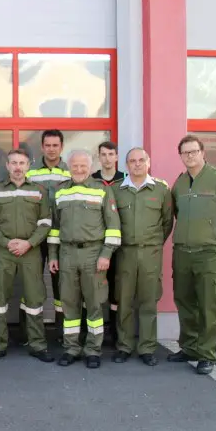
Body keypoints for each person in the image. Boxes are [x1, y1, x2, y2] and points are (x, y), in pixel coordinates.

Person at [168, 135, 216, 374]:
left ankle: (207, 353)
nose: (190, 156)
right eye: (185, 153)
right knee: (185, 301)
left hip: (209, 254)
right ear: (181, 156)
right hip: (182, 251)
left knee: (209, 304)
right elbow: (177, 214)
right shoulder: (180, 183)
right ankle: (190, 347)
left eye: (193, 151)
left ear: (203, 152)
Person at [48, 150, 121, 369]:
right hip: (67, 253)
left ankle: (93, 350)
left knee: (94, 305)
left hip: (93, 254)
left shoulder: (101, 190)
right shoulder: (60, 192)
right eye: (75, 166)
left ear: (90, 167)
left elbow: (114, 227)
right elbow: (54, 227)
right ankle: (71, 348)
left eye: (83, 166)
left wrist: (106, 254)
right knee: (69, 305)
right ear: (68, 167)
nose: (78, 170)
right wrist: (52, 255)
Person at [0, 149, 53, 363]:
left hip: (30, 251)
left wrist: (29, 243)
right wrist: (6, 243)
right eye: (13, 162)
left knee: (34, 299)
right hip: (3, 251)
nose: (17, 167)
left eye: (22, 163)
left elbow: (45, 222)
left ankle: (37, 344)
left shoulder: (39, 191)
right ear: (7, 165)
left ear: (28, 166)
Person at [112, 148, 173, 366]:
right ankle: (124, 346)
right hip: (125, 253)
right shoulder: (117, 190)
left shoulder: (161, 189)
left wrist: (154, 243)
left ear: (148, 162)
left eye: (141, 160)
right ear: (126, 165)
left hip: (150, 253)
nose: (137, 164)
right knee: (124, 301)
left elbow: (167, 222)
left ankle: (147, 348)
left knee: (148, 301)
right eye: (132, 161)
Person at [26, 129, 70, 330]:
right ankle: (31, 333)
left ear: (61, 147)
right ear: (42, 147)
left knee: (61, 284)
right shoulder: (31, 173)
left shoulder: (71, 172)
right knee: (32, 283)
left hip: (61, 237)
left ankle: (62, 331)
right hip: (36, 236)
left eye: (55, 145)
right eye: (48, 145)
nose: (51, 149)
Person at [91, 141, 126, 343]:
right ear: (98, 157)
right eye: (103, 154)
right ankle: (93, 333)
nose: (106, 158)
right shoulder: (92, 180)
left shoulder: (125, 180)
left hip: (119, 244)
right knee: (94, 288)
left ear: (116, 156)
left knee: (116, 290)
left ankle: (115, 333)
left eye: (110, 154)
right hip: (96, 244)